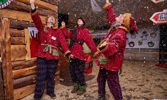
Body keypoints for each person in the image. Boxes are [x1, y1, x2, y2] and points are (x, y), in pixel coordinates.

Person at [95, 1, 138, 100]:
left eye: (122, 16)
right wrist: (109, 7)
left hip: (112, 63)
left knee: (113, 83)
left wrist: (105, 46)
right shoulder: (116, 27)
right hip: (105, 60)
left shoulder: (120, 33)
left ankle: (119, 98)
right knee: (100, 79)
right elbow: (112, 18)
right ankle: (101, 95)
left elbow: (114, 46)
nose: (119, 15)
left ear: (123, 22)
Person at [30, 0, 71, 99]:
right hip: (42, 56)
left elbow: (63, 42)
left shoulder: (58, 32)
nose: (52, 19)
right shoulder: (41, 28)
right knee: (41, 76)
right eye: (50, 17)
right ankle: (38, 95)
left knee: (51, 76)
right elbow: (36, 19)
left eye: (53, 18)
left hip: (54, 56)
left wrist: (67, 52)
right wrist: (32, 5)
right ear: (47, 20)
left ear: (54, 21)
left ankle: (50, 92)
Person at [69, 17, 97, 95]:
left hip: (80, 54)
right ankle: (76, 85)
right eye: (78, 19)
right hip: (72, 53)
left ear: (83, 22)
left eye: (81, 20)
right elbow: (67, 36)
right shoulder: (74, 30)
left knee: (79, 71)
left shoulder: (85, 31)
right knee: (72, 71)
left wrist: (96, 52)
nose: (79, 20)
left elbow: (90, 42)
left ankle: (82, 86)